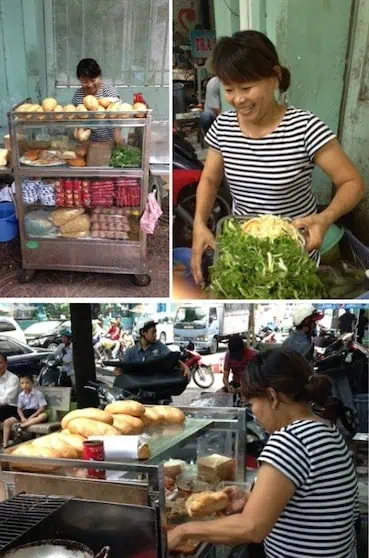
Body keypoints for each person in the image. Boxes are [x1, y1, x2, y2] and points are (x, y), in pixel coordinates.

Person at [191, 30, 365, 284]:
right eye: (229, 89)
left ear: (275, 77)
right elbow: (209, 179)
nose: (238, 99)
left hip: (294, 251)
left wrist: (325, 218)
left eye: (246, 87)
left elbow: (352, 182)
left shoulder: (305, 127)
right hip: (244, 247)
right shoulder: (223, 127)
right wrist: (199, 223)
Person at [168, 348, 359, 557]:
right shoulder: (325, 429)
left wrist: (183, 531)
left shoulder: (289, 441)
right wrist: (250, 499)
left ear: (271, 396)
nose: (254, 414)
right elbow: (309, 501)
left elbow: (251, 528)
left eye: (252, 404)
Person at [72, 58, 120, 143]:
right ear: (79, 80)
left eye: (93, 80)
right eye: (84, 81)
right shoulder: (78, 94)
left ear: (99, 76)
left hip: (108, 140)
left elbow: (118, 112)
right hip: (88, 142)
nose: (90, 85)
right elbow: (76, 118)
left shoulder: (108, 90)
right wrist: (78, 132)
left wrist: (117, 133)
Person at [123, 320, 190, 379]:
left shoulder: (159, 346)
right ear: (143, 332)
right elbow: (122, 368)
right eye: (153, 332)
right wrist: (118, 371)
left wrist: (185, 367)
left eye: (156, 332)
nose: (155, 335)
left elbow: (172, 358)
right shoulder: (131, 352)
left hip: (157, 388)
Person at [2, 375, 47, 449]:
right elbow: (19, 409)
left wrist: (32, 416)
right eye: (22, 383)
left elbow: (42, 407)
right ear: (20, 385)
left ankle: (23, 426)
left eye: (27, 383)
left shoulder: (38, 394)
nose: (25, 385)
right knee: (7, 422)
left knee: (44, 415)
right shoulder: (21, 395)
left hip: (35, 412)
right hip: (24, 413)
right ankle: (5, 444)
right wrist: (22, 417)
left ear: (32, 383)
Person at [222, 334, 257, 404]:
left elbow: (257, 378)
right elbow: (225, 377)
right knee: (219, 396)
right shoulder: (228, 355)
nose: (237, 358)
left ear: (243, 348)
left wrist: (244, 388)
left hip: (251, 386)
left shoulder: (253, 355)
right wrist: (228, 386)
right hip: (235, 384)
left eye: (238, 354)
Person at [0, 354, 19, 422]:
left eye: (0, 362)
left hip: (11, 408)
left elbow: (7, 399)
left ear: (6, 364)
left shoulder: (13, 378)